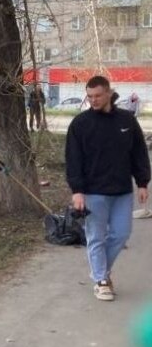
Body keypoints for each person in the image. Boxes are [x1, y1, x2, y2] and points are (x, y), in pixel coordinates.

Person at [65, 75, 150, 301]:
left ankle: (100, 271)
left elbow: (139, 153)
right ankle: (101, 280)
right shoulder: (80, 124)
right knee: (96, 237)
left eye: (98, 95)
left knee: (121, 234)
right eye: (89, 96)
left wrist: (142, 182)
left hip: (122, 190)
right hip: (93, 192)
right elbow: (73, 159)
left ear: (109, 94)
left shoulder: (127, 120)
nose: (93, 100)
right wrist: (77, 190)